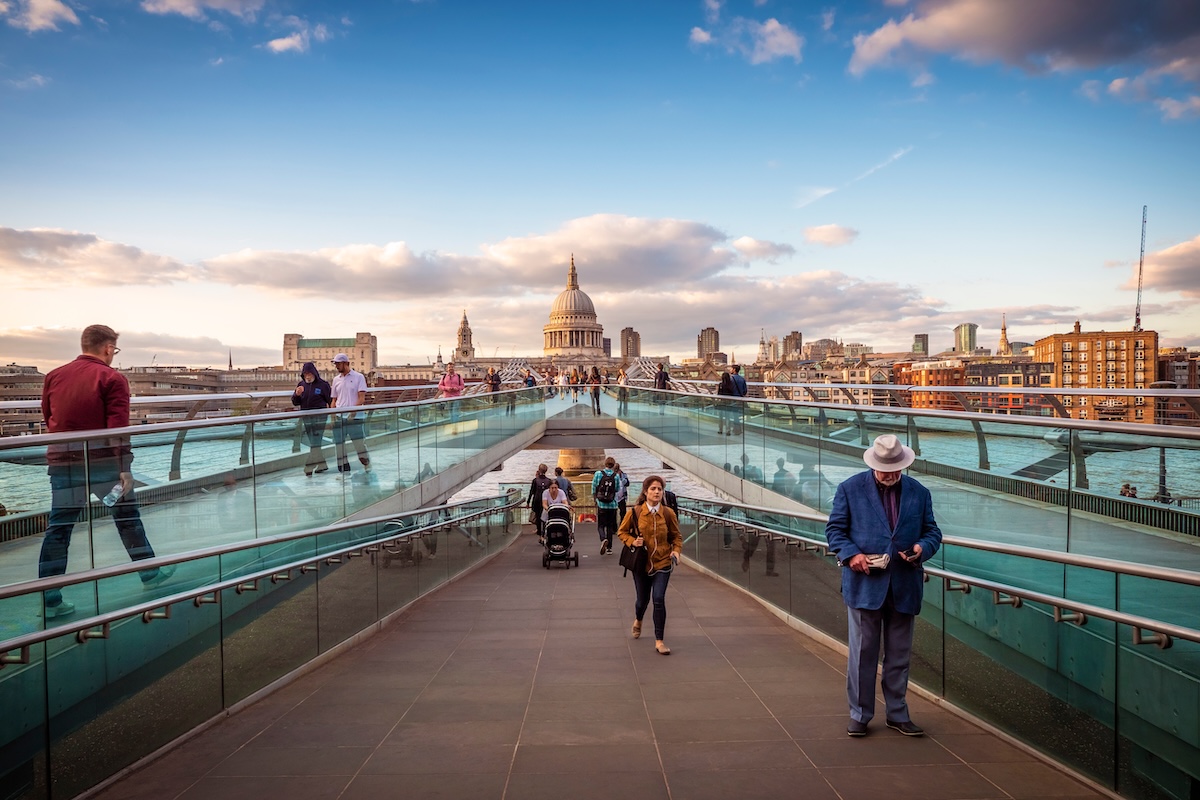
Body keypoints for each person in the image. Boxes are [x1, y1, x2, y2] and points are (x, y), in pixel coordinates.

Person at [38, 325, 175, 618]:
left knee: (59, 528)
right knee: (127, 518)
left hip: (63, 463)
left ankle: (50, 597)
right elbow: (117, 428)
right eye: (114, 349)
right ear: (107, 348)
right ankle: (149, 574)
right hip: (103, 466)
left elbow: (48, 415)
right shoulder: (112, 378)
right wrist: (124, 469)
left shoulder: (54, 375)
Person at [824, 434, 942, 738]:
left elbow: (932, 532)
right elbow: (835, 531)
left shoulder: (919, 492)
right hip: (864, 585)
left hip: (905, 584)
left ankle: (897, 714)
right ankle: (860, 715)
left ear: (903, 465)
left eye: (894, 469)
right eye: (883, 469)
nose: (889, 474)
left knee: (900, 655)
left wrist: (921, 548)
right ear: (873, 464)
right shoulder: (849, 489)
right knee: (862, 655)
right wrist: (852, 556)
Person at [616, 475, 682, 655]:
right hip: (641, 564)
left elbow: (676, 536)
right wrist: (632, 541)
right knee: (642, 600)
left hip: (663, 562)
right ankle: (638, 619)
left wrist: (676, 550)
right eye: (653, 489)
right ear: (645, 492)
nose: (657, 492)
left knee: (658, 599)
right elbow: (621, 532)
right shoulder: (635, 512)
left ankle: (659, 641)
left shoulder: (668, 513)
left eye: (659, 489)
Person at [330, 353, 371, 477]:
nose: (336, 366)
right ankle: (344, 473)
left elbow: (361, 398)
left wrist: (353, 413)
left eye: (338, 363)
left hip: (356, 418)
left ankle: (367, 464)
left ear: (346, 363)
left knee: (358, 444)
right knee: (339, 446)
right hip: (339, 417)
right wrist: (332, 415)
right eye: (335, 363)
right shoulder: (336, 379)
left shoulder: (359, 377)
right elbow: (333, 400)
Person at [291, 361, 332, 476]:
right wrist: (296, 395)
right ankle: (322, 464)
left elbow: (330, 401)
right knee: (315, 443)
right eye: (305, 374)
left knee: (315, 442)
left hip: (320, 418)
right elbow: (295, 402)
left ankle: (309, 466)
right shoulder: (301, 385)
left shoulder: (323, 385)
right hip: (307, 418)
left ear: (314, 373)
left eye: (309, 373)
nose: (307, 376)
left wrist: (332, 415)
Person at [592, 456, 621, 555]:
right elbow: (617, 489)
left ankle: (603, 539)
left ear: (605, 464)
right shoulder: (616, 476)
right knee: (609, 526)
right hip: (612, 505)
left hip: (601, 504)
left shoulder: (598, 474)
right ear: (613, 465)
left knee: (600, 525)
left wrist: (595, 499)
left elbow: (594, 487)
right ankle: (609, 548)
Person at [527, 463, 554, 541]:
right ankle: (546, 531)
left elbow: (531, 492)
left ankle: (540, 533)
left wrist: (528, 502)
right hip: (545, 501)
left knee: (538, 517)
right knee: (546, 516)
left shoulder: (535, 480)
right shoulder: (549, 481)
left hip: (537, 501)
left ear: (539, 470)